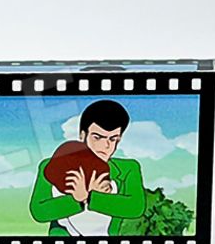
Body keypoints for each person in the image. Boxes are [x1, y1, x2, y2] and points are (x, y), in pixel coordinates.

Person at [29, 100, 145, 236]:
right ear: (82, 135)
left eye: (113, 139)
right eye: (97, 137)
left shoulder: (128, 168)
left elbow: (135, 207)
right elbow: (39, 211)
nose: (106, 145)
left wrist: (90, 197)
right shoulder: (52, 165)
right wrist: (76, 199)